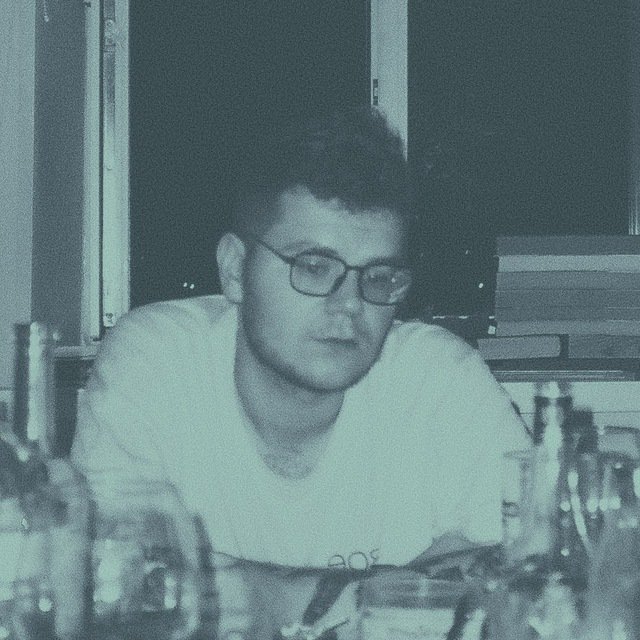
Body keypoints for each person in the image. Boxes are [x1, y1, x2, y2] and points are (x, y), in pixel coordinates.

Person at [71, 106, 528, 639]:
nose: (350, 305)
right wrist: (403, 591)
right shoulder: (156, 361)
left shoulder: (440, 379)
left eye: (380, 276)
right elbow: (113, 587)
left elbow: (531, 575)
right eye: (313, 267)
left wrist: (268, 596)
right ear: (235, 270)